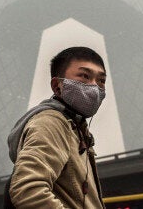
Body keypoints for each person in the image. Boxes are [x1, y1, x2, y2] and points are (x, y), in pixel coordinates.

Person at [7, 47, 107, 208]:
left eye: (101, 81)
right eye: (84, 76)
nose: (95, 87)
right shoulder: (51, 123)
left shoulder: (76, 128)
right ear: (57, 85)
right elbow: (28, 190)